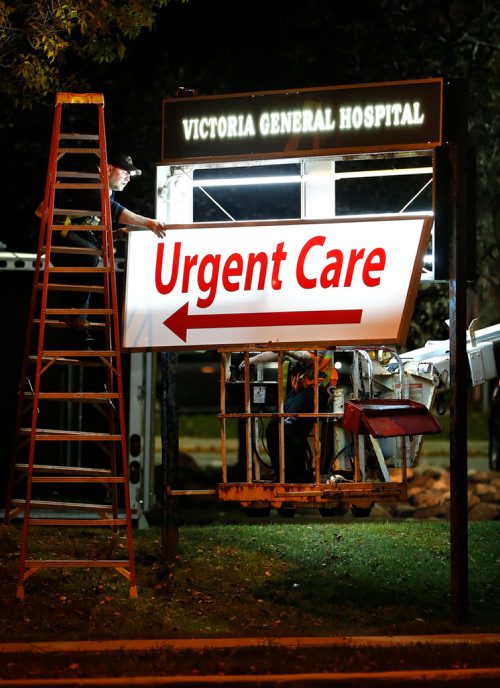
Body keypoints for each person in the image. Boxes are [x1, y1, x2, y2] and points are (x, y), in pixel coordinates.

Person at [45, 150, 168, 340]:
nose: (128, 178)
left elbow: (94, 228)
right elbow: (111, 211)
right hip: (54, 233)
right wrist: (148, 222)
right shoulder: (90, 182)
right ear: (108, 168)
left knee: (92, 253)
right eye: (125, 172)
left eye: (130, 175)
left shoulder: (107, 191)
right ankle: (74, 315)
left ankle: (77, 325)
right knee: (90, 254)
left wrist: (117, 234)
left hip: (70, 234)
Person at [243, 350, 338, 482]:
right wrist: (252, 360)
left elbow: (306, 357)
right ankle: (282, 475)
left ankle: (300, 477)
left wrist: (286, 349)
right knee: (273, 429)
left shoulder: (316, 335)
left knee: (287, 428)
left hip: (319, 388)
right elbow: (277, 352)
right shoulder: (298, 337)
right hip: (302, 390)